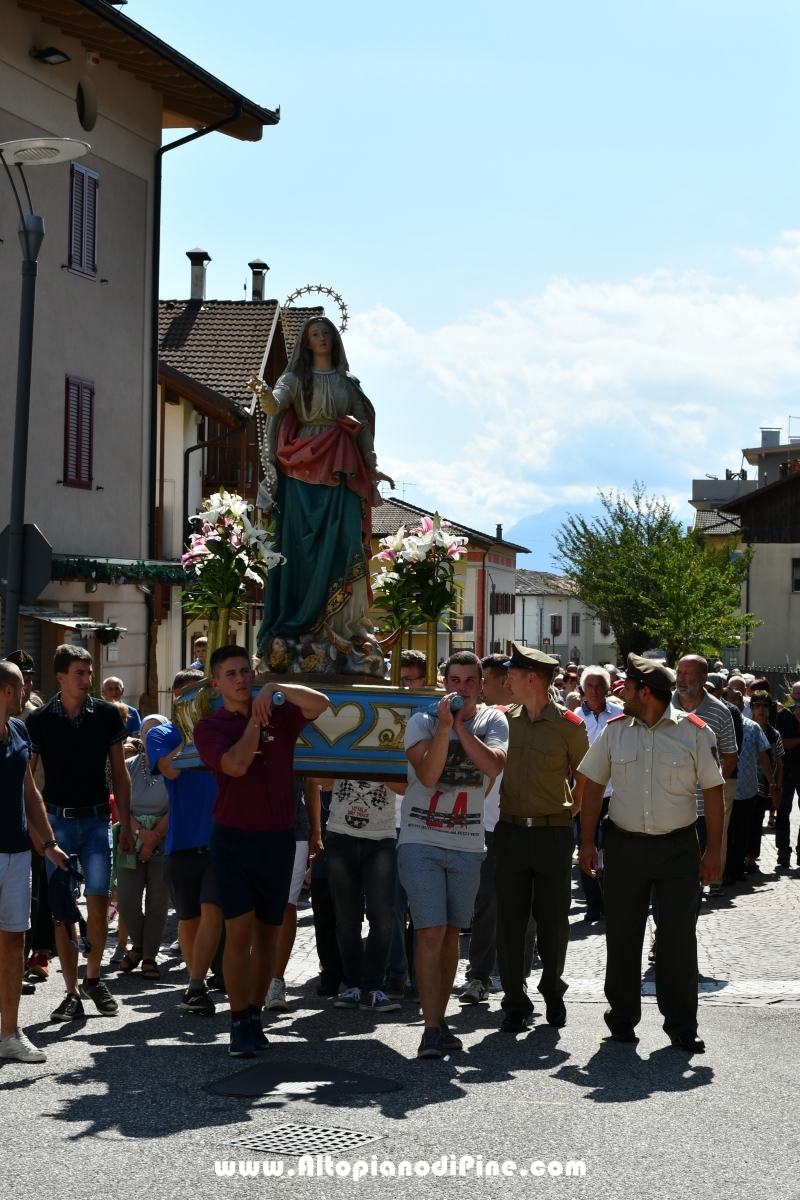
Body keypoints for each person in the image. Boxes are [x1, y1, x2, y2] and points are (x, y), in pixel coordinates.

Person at [578, 653, 724, 1052]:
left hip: (678, 848)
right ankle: (622, 1018)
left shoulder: (695, 732)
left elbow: (713, 792)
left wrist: (714, 851)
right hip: (625, 845)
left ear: (647, 692)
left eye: (628, 685)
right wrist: (587, 842)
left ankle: (681, 1025)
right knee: (623, 935)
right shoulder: (614, 730)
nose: (619, 690)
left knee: (678, 939)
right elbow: (592, 785)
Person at [193, 645, 329, 1057]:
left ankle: (254, 1015)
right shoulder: (209, 727)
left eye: (245, 672)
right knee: (239, 933)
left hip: (277, 839)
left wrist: (276, 687)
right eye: (230, 674)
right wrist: (255, 719)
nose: (240, 679)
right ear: (216, 683)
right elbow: (235, 765)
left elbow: (321, 703)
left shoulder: (279, 712)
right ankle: (237, 1021)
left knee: (269, 935)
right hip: (233, 841)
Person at [249, 316, 395, 663]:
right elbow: (275, 407)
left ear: (335, 339)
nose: (321, 338)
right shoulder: (296, 378)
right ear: (307, 342)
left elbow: (361, 427)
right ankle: (303, 624)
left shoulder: (349, 383)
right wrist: (264, 393)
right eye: (315, 334)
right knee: (302, 549)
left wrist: (371, 463)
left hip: (343, 464)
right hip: (302, 467)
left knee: (348, 538)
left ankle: (346, 624)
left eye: (326, 333)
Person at [398, 651, 508, 1058]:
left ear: (480, 685)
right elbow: (427, 775)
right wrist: (446, 727)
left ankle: (440, 1020)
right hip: (420, 839)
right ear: (444, 683)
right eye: (454, 680)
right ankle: (429, 1028)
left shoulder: (494, 721)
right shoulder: (421, 720)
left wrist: (461, 728)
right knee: (429, 928)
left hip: (467, 842)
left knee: (448, 934)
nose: (460, 688)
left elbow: (493, 766)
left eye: (468, 681)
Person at [27, 644, 132, 1022]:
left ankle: (93, 977)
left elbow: (120, 773)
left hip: (97, 821)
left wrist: (127, 823)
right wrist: (39, 829)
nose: (88, 680)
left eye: (89, 672)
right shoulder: (39, 719)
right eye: (80, 673)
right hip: (57, 823)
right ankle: (70, 992)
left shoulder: (105, 715)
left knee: (100, 902)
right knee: (62, 909)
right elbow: (27, 777)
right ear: (60, 676)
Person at [493, 644, 588, 1034]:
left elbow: (586, 778)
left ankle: (552, 989)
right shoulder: (500, 720)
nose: (506, 682)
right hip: (510, 831)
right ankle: (515, 1001)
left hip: (553, 833)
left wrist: (569, 811)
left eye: (511, 675)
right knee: (510, 923)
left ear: (531, 678)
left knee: (554, 922)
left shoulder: (570, 725)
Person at [0, 660, 69, 1062]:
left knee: (13, 942)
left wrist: (49, 844)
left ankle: (9, 1034)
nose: (29, 689)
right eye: (24, 684)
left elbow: (31, 794)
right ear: (10, 690)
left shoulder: (21, 730)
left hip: (17, 854)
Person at [147, 668, 221, 1016]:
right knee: (189, 919)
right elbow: (171, 769)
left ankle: (196, 984)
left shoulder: (220, 728)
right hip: (182, 841)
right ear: (178, 699)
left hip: (221, 838)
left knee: (213, 910)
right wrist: (191, 731)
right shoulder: (161, 733)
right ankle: (198, 985)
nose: (201, 703)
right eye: (193, 697)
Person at [459, 653, 529, 1006]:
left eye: (484, 680)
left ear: (505, 683)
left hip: (523, 823)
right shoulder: (479, 718)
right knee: (486, 899)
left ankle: (520, 977)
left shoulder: (534, 719)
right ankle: (479, 976)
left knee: (523, 903)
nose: (480, 688)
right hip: (485, 824)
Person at [321, 777, 404, 1012]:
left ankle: (374, 987)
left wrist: (372, 764)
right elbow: (318, 779)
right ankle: (354, 985)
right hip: (339, 833)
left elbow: (404, 787)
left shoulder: (393, 741)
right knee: (346, 920)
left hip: (381, 838)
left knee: (382, 919)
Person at [384, 650, 428, 1000]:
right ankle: (398, 972)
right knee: (394, 905)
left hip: (423, 822)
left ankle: (421, 974)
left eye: (409, 678)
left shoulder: (430, 714)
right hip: (391, 824)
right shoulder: (386, 711)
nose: (403, 684)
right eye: (399, 677)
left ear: (423, 681)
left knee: (424, 905)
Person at [115, 716, 171, 980]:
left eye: (158, 732)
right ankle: (138, 945)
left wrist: (154, 837)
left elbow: (178, 806)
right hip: (130, 837)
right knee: (126, 899)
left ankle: (149, 956)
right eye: (147, 733)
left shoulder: (173, 767)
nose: (153, 738)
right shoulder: (128, 766)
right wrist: (140, 834)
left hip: (165, 836)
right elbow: (120, 805)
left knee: (158, 902)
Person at [264, 778, 322, 1012]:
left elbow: (309, 782)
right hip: (250, 827)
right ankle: (253, 976)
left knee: (286, 904)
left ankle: (276, 982)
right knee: (252, 906)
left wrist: (316, 830)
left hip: (295, 829)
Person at [673, 655, 738, 861]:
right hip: (666, 806)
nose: (681, 679)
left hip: (701, 810)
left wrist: (712, 786)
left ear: (703, 680)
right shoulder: (662, 706)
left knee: (694, 874)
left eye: (687, 674)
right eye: (679, 673)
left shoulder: (721, 712)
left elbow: (730, 756)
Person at [574, 666, 623, 922]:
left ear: (607, 688)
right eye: (589, 686)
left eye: (599, 685)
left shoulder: (620, 715)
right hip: (583, 793)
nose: (594, 690)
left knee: (615, 851)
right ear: (583, 689)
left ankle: (613, 900)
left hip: (615, 792)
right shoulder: (572, 718)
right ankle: (593, 904)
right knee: (587, 846)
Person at [723, 698, 776, 886]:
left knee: (743, 831)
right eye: (731, 700)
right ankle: (726, 870)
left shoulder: (752, 727)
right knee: (726, 833)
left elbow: (763, 756)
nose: (735, 703)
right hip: (724, 789)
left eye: (739, 699)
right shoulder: (719, 724)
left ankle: (738, 868)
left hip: (747, 789)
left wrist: (772, 783)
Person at [307, 779, 343, 996]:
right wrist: (311, 865)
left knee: (348, 919)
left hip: (349, 853)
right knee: (323, 918)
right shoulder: (315, 790)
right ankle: (330, 974)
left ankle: (350, 973)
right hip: (322, 860)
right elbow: (314, 830)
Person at [747, 694, 784, 870]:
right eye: (757, 705)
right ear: (752, 708)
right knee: (742, 822)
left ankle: (751, 857)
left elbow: (779, 762)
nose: (760, 709)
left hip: (763, 785)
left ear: (769, 710)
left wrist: (777, 788)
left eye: (764, 705)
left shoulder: (774, 734)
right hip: (744, 784)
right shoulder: (743, 728)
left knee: (756, 822)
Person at [774, 682, 800, 868]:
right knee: (783, 810)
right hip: (787, 770)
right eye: (798, 694)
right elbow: (781, 744)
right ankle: (783, 850)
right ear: (792, 694)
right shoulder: (783, 715)